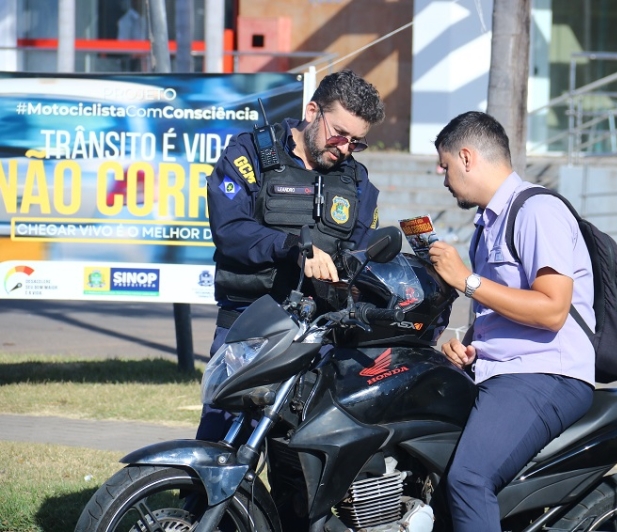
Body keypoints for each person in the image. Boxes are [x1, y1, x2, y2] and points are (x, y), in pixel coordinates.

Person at [426, 111, 595, 532]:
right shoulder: (486, 225)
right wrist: (465, 341)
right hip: (497, 368)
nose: (440, 175)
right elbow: (502, 307)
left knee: (468, 478)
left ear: (467, 157)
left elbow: (552, 310)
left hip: (544, 372)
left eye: (444, 165)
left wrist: (466, 280)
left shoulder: (538, 210)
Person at [196, 69, 385, 441]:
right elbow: (229, 230)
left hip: (320, 334)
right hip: (250, 325)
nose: (344, 148)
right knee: (221, 444)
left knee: (299, 458)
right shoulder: (249, 152)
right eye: (339, 134)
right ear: (313, 111)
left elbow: (363, 253)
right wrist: (295, 248)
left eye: (356, 142)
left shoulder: (358, 182)